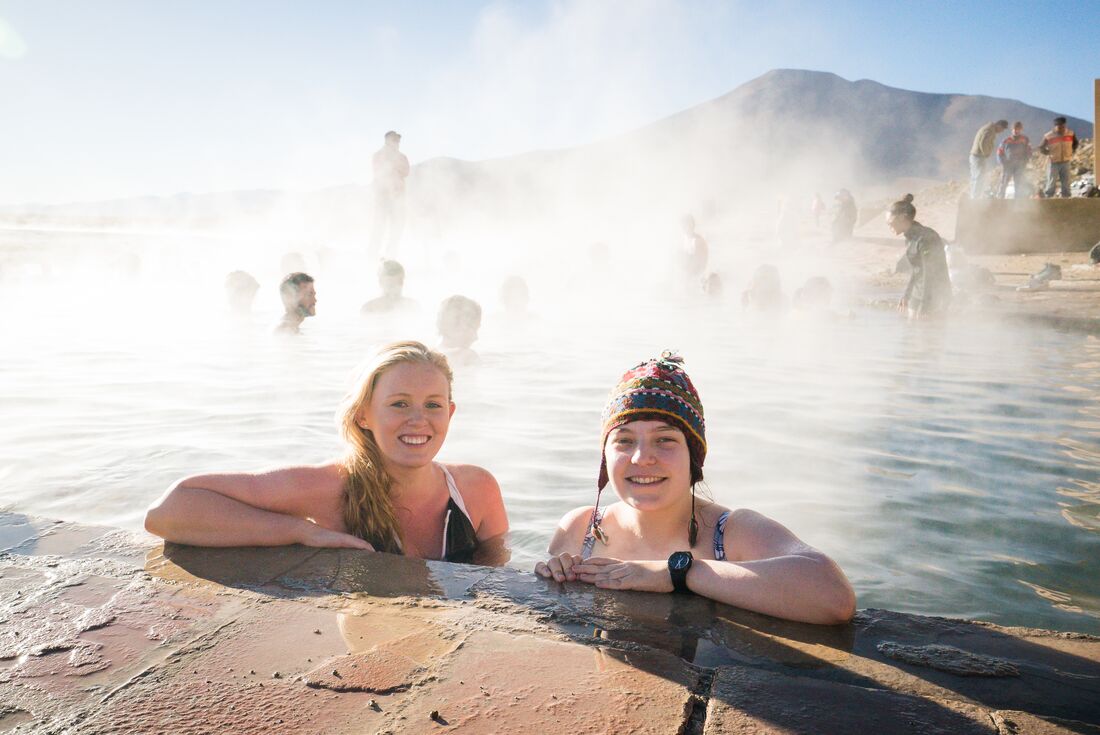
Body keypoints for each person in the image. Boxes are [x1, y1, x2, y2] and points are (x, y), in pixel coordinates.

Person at [535, 353, 855, 625]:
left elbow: (834, 597)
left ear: (694, 457)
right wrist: (554, 570)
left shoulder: (730, 534)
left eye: (665, 440)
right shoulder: (582, 529)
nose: (642, 457)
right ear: (605, 457)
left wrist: (678, 573)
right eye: (624, 440)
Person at [144, 341, 509, 563]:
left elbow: (497, 576)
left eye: (433, 405)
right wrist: (300, 531)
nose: (418, 420)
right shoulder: (332, 486)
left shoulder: (476, 489)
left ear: (450, 413)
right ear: (363, 415)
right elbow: (168, 512)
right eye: (399, 404)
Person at [887, 194, 951, 318]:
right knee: (912, 325)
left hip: (935, 293)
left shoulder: (925, 238)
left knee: (927, 327)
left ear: (902, 218)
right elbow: (917, 270)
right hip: (919, 291)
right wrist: (906, 295)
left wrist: (924, 305)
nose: (888, 225)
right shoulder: (910, 237)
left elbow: (929, 272)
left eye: (890, 222)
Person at [370, 131, 411, 259]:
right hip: (383, 197)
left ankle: (391, 255)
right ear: (387, 141)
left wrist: (394, 166)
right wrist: (391, 166)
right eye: (395, 140)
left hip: (398, 197)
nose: (397, 143)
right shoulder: (378, 155)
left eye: (398, 141)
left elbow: (406, 171)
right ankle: (372, 255)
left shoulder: (402, 157)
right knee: (379, 227)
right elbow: (378, 171)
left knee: (397, 228)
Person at [436, 294, 482, 365]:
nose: (476, 338)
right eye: (473, 330)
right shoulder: (467, 356)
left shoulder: (431, 355)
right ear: (457, 327)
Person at [1039, 117, 1078, 199]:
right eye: (1059, 127)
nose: (1062, 129)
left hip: (1066, 161)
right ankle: (1048, 198)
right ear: (1055, 127)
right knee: (1051, 181)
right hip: (1053, 162)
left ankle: (1066, 198)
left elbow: (1075, 143)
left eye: (1063, 127)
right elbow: (1041, 147)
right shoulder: (1048, 136)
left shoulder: (1070, 133)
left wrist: (1072, 151)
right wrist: (1048, 153)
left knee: (1066, 181)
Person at [969, 120, 1008, 199]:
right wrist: (986, 153)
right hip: (979, 156)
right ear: (999, 125)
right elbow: (983, 143)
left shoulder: (988, 128)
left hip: (975, 156)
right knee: (979, 177)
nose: (1001, 131)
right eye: (1002, 129)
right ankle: (975, 198)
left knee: (975, 177)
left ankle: (973, 197)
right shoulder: (989, 130)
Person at [996, 122, 1032, 199]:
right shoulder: (1006, 141)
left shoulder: (1025, 140)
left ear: (1021, 130)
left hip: (1020, 165)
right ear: (1012, 130)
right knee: (1004, 182)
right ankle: (1000, 199)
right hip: (1008, 164)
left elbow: (1029, 151)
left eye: (1018, 129)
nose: (1016, 131)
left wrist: (1025, 161)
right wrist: (1003, 162)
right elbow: (999, 152)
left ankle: (1018, 201)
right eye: (1015, 129)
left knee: (1019, 183)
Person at [678, 215, 709, 279]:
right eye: (683, 225)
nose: (685, 228)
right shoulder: (682, 240)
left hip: (696, 276)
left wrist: (690, 276)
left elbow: (701, 263)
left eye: (687, 225)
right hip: (684, 274)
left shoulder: (698, 241)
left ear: (692, 225)